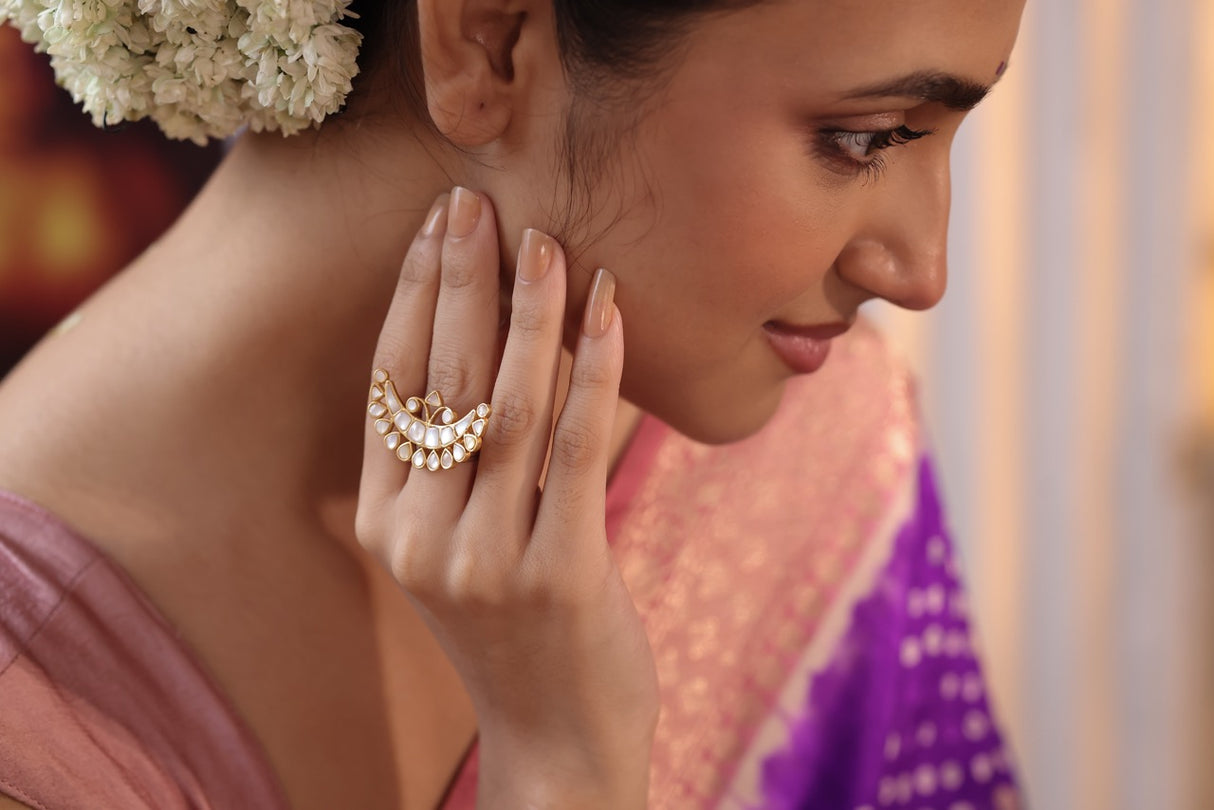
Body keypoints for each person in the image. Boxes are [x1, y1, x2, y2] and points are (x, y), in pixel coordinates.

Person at [0, 0, 1027, 808]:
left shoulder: (818, 452)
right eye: (865, 138)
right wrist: (564, 768)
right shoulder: (33, 713)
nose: (920, 272)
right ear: (486, 42)